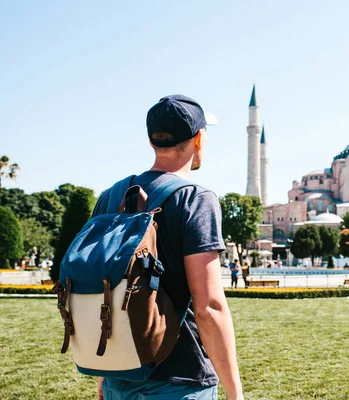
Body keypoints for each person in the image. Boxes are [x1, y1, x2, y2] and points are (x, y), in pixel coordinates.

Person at [95, 95, 243, 400]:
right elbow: (209, 308)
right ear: (199, 137)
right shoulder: (195, 200)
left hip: (118, 375)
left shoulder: (110, 197)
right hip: (180, 379)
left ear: (152, 141)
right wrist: (235, 393)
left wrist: (103, 375)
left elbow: (103, 290)